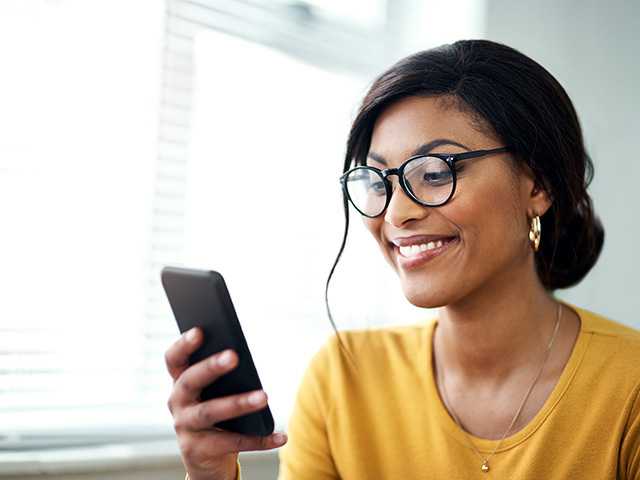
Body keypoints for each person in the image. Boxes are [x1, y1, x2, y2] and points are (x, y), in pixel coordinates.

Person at [164, 39, 640, 479]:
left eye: (435, 172)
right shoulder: (342, 378)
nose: (396, 213)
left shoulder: (629, 385)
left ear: (538, 185)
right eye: (378, 181)